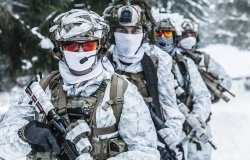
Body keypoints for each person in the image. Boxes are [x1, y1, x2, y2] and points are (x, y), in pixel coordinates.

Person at [0, 7, 160, 160]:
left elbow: (147, 153)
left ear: (100, 47)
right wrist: (24, 133)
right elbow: (3, 146)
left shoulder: (120, 91)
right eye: (72, 45)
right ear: (60, 48)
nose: (81, 52)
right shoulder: (43, 89)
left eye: (89, 44)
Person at [103, 1, 185, 159]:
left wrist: (165, 142)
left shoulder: (158, 60)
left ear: (145, 33)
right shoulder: (103, 62)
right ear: (113, 33)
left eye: (135, 30)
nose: (128, 36)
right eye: (122, 30)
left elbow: (171, 111)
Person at [154, 16, 213, 160]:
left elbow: (203, 96)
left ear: (175, 36)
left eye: (167, 33)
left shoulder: (185, 64)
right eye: (159, 33)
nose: (163, 37)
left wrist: (197, 117)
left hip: (185, 133)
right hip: (155, 136)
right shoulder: (144, 63)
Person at [178, 19, 233, 103]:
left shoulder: (204, 58)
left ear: (196, 37)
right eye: (184, 35)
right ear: (177, 37)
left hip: (202, 108)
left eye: (192, 34)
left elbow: (226, 80)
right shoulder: (172, 57)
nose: (188, 38)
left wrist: (213, 85)